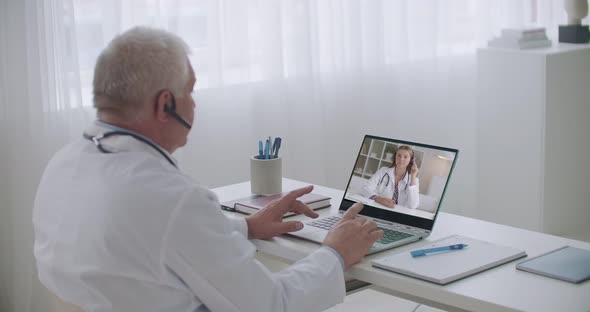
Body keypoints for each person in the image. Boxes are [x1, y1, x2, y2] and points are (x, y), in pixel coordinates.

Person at [33, 27, 383, 312]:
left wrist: (246, 226)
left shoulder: (63, 164)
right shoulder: (172, 199)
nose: (195, 103)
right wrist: (336, 252)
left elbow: (152, 243)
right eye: (190, 91)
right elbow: (272, 305)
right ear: (165, 104)